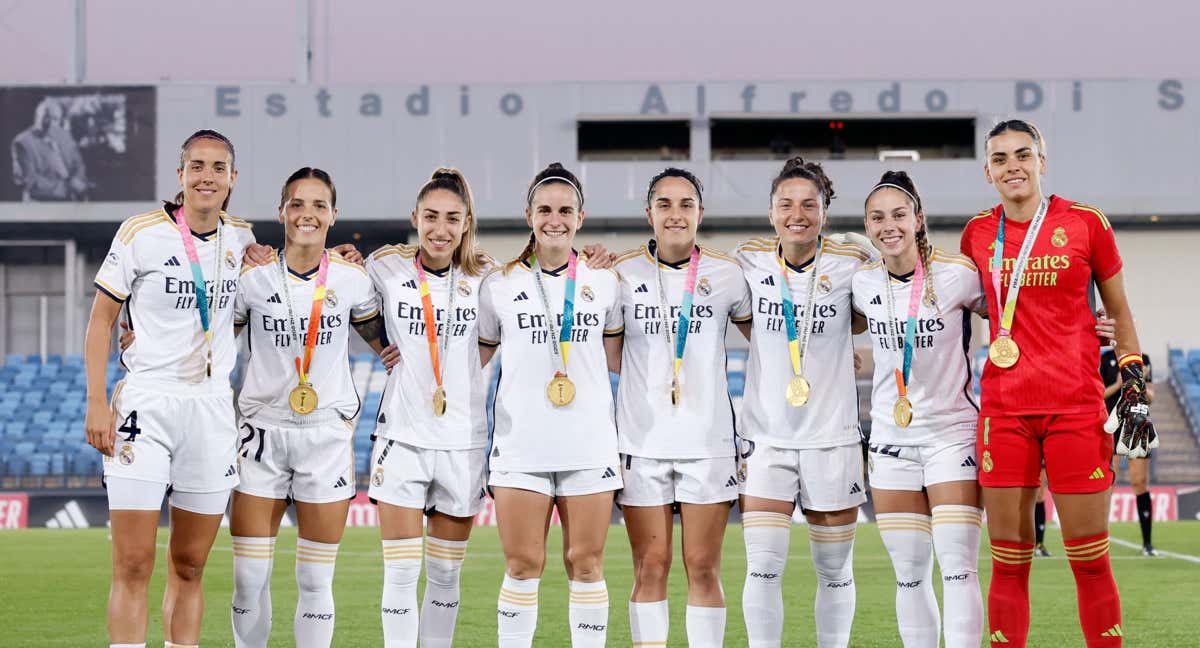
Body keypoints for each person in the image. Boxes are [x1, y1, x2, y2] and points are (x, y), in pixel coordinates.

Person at [960, 119, 1157, 647]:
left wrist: (1134, 380)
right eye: (1000, 159)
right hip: (1003, 412)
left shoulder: (1087, 223)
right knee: (1007, 561)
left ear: (1042, 162)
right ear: (988, 172)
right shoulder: (977, 233)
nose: (1013, 166)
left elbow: (1119, 311)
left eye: (1023, 155)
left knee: (1090, 558)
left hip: (1075, 406)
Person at [86, 129, 255, 648]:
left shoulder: (243, 239)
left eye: (218, 167)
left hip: (210, 409)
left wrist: (343, 255)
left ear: (232, 178)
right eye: (197, 166)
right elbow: (101, 320)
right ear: (180, 175)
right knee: (134, 561)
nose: (207, 176)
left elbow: (258, 303)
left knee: (190, 563)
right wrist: (96, 401)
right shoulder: (141, 232)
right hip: (147, 402)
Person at [226, 167, 383, 648]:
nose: (307, 214)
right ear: (281, 212)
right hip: (261, 434)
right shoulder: (250, 278)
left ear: (334, 215)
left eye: (319, 205)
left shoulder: (354, 280)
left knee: (316, 581)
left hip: (325, 437)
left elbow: (387, 342)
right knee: (249, 576)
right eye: (297, 204)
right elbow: (213, 341)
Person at [477, 163, 624, 648]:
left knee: (586, 564)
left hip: (589, 445)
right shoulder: (498, 284)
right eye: (545, 209)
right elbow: (475, 360)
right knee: (522, 566)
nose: (554, 219)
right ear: (528, 215)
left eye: (565, 210)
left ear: (580, 217)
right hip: (521, 448)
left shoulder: (606, 282)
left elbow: (622, 357)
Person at [610, 168, 751, 647]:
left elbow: (767, 340)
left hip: (708, 444)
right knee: (650, 566)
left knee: (704, 567)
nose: (675, 214)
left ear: (700, 213)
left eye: (686, 204)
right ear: (649, 213)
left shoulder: (728, 274)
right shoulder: (621, 273)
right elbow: (610, 355)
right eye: (665, 205)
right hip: (641, 443)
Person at [736, 157, 871, 648]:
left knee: (834, 570)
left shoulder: (851, 264)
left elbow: (868, 316)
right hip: (766, 438)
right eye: (786, 204)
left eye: (809, 204)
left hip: (832, 437)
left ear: (825, 212)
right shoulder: (747, 260)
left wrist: (834, 352)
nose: (798, 213)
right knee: (764, 568)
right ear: (771, 213)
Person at [853, 170, 984, 648]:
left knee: (957, 568)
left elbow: (1021, 313)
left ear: (919, 219)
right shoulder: (861, 280)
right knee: (909, 574)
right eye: (877, 217)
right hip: (890, 442)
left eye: (899, 215)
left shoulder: (958, 273)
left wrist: (1084, 323)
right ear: (867, 227)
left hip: (952, 436)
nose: (889, 225)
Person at [364, 168, 495, 648]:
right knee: (399, 573)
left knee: (444, 576)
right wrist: (378, 341)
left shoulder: (487, 277)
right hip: (402, 437)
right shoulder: (386, 266)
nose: (440, 229)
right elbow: (337, 288)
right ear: (414, 217)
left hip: (463, 443)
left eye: (452, 219)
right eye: (431, 217)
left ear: (466, 223)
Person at [1102, 347, 1157, 555]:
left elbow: (1151, 397)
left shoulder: (1143, 358)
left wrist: (1139, 383)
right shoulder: (1105, 359)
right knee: (1108, 483)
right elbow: (1100, 393)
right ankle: (1100, 541)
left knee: (1140, 483)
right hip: (1113, 423)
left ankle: (1147, 544)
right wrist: (1118, 384)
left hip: (1137, 423)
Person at [11, 98, 89, 200]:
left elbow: (79, 164)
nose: (51, 123)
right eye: (46, 118)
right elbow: (30, 181)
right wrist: (68, 188)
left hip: (73, 200)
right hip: (41, 205)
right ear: (36, 117)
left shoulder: (65, 135)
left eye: (56, 119)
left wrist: (79, 181)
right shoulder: (22, 142)